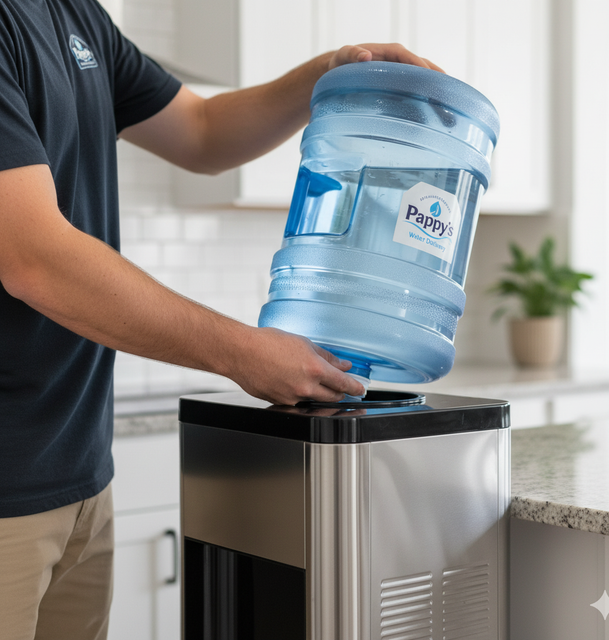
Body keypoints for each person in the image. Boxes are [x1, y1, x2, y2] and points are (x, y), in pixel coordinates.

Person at [0, 0, 443, 637]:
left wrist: (328, 72)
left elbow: (202, 131)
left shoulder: (74, 14)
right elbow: (33, 256)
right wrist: (240, 351)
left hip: (81, 478)